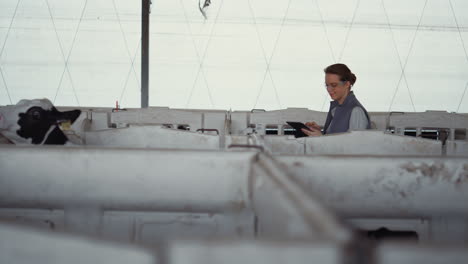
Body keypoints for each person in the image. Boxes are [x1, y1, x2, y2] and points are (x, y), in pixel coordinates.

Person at [302, 63, 370, 137]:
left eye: (334, 85)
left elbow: (354, 145)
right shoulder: (336, 108)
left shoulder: (356, 111)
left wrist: (321, 138)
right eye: (327, 85)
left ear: (347, 84)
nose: (329, 89)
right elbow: (334, 137)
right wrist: (320, 132)